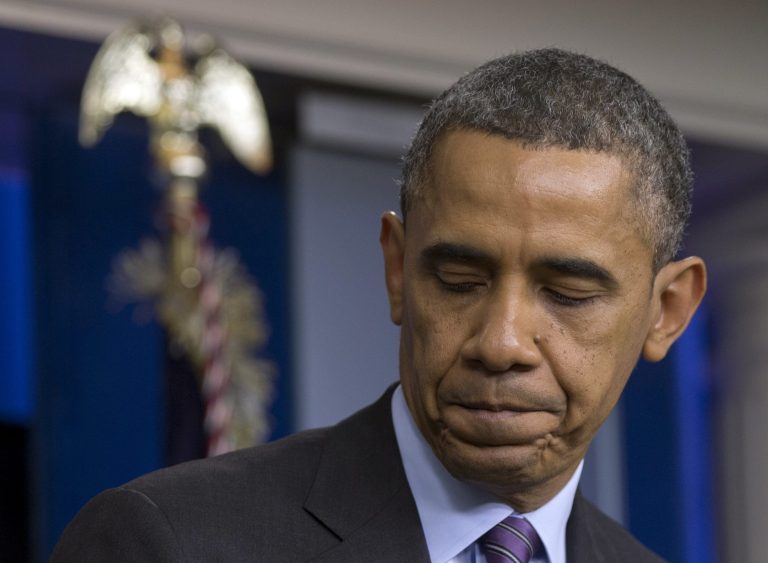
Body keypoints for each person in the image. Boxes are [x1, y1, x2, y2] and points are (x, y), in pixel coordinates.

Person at [52, 48, 706, 562]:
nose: (501, 341)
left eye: (567, 293)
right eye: (458, 277)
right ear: (397, 268)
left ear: (667, 310)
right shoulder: (166, 543)